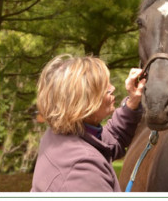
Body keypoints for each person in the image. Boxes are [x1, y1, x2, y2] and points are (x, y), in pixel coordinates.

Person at [31, 54, 146, 192]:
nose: (113, 88)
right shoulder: (82, 171)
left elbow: (110, 140)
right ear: (82, 102)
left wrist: (132, 103)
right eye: (104, 87)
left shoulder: (61, 135)